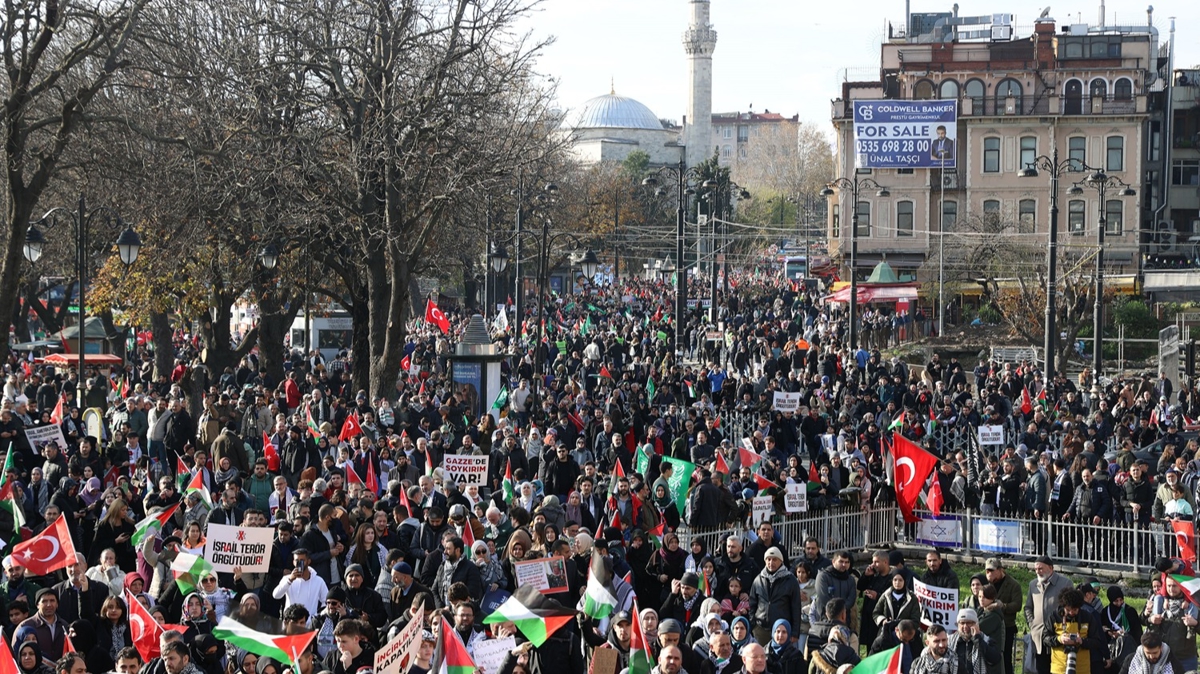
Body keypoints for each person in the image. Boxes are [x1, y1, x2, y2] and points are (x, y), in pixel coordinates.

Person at [1025, 556, 1074, 674]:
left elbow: (1072, 607)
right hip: (1039, 637)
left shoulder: (1065, 583)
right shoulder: (1033, 584)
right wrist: (1032, 624)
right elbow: (1028, 607)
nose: (1037, 572)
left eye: (1040, 569)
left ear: (1051, 568)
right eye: (1036, 569)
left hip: (1057, 636)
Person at [748, 547, 802, 645]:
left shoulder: (790, 580)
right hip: (761, 629)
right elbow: (752, 603)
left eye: (774, 559)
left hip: (782, 629)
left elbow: (796, 607)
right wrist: (753, 625)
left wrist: (795, 632)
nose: (771, 562)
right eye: (768, 559)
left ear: (781, 561)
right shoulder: (758, 579)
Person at [1147, 574, 1199, 672]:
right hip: (1163, 658)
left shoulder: (1192, 604)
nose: (1171, 589)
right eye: (1168, 586)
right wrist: (1151, 619)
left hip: (1186, 658)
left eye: (1174, 586)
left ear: (1181, 586)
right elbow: (1143, 621)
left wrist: (1195, 623)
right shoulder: (1159, 602)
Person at [1045, 589, 1103, 674]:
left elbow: (1097, 641)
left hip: (1082, 669)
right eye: (1068, 610)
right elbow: (1045, 638)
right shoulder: (1054, 617)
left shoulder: (1087, 617)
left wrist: (1082, 641)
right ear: (1063, 606)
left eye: (1075, 610)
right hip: (1059, 668)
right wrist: (1060, 639)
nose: (1071, 612)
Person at [983, 558, 1023, 674]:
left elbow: (1017, 605)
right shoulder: (987, 585)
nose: (989, 574)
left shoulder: (1013, 585)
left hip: (1006, 626)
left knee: (1005, 658)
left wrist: (1002, 606)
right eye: (987, 571)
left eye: (992, 571)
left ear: (1001, 570)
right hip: (989, 625)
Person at [946, 609, 1000, 674]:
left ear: (976, 624)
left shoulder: (986, 640)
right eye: (962, 623)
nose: (965, 626)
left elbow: (995, 659)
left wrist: (977, 640)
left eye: (968, 623)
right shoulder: (949, 641)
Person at [1117, 632, 1184, 674]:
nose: (1151, 656)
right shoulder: (1131, 660)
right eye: (1148, 653)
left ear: (1161, 648)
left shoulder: (1171, 661)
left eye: (1155, 653)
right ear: (1143, 648)